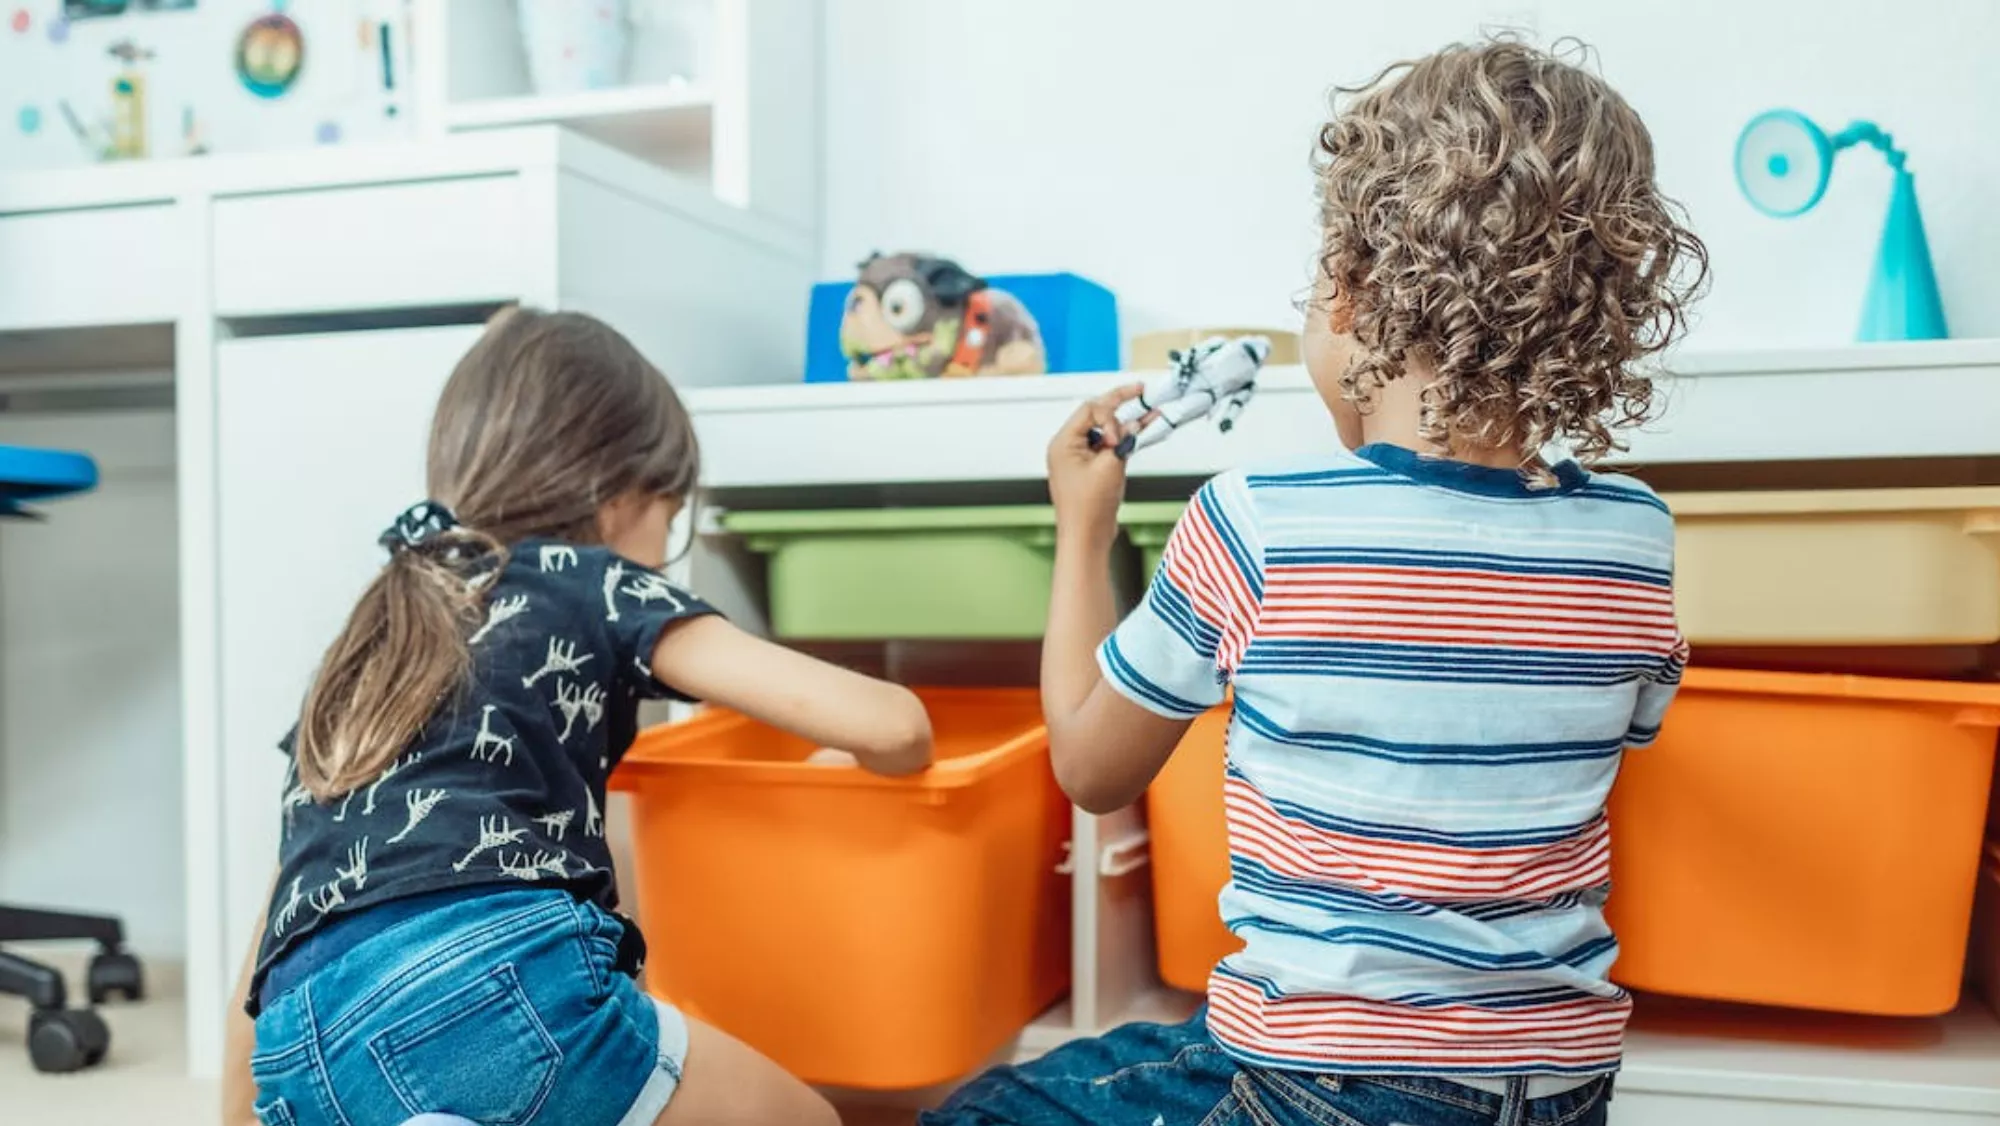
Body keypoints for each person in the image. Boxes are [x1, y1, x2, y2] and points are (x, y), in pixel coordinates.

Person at [923, 38, 1707, 1126]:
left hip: (1323, 1080)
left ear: (1349, 291)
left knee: (977, 1113)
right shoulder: (1633, 537)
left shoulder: (1257, 522)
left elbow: (1089, 767)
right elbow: (1601, 735)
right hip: (1559, 1089)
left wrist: (1080, 527)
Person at [222, 308, 933, 1126]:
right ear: (617, 498)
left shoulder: (380, 630)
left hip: (301, 1052)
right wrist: (870, 761)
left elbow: (281, 905)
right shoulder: (584, 577)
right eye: (667, 520)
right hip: (496, 980)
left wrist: (242, 1114)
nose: (663, 547)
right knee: (814, 1120)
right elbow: (892, 723)